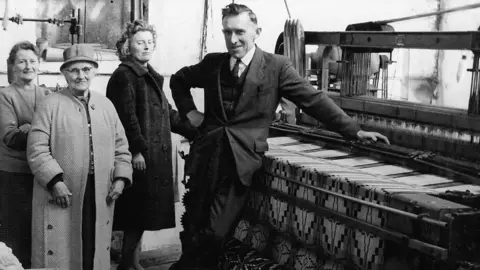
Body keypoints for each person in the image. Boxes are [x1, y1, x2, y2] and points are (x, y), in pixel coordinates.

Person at [169, 3, 390, 269]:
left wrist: (354, 130)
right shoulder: (213, 64)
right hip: (206, 157)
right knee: (192, 226)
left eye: (239, 31)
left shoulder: (276, 67)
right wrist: (190, 112)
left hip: (240, 163)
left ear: (256, 31)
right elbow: (178, 80)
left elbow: (313, 100)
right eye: (227, 32)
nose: (233, 39)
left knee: (214, 234)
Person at [26, 43, 133, 270]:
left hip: (100, 190)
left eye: (86, 69)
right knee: (65, 248)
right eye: (74, 70)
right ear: (64, 73)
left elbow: (121, 147)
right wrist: (54, 181)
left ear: (94, 71)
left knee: (93, 247)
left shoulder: (106, 106)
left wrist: (121, 178)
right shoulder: (49, 105)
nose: (80, 75)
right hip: (65, 190)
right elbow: (36, 148)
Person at [106, 20, 197, 270]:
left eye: (150, 42)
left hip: (153, 157)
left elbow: (167, 113)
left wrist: (198, 129)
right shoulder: (124, 75)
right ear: (128, 46)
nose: (146, 47)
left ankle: (131, 263)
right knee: (137, 213)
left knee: (142, 213)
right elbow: (126, 117)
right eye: (139, 42)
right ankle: (127, 264)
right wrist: (136, 150)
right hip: (141, 157)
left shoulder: (148, 76)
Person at [0, 41, 51, 268]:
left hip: (41, 174)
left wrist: (30, 127)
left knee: (40, 232)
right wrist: (40, 130)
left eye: (32, 61)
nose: (27, 66)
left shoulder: (48, 95)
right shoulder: (5, 96)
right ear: (12, 66)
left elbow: (59, 131)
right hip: (14, 175)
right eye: (21, 61)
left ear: (39, 64)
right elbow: (11, 137)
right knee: (15, 234)